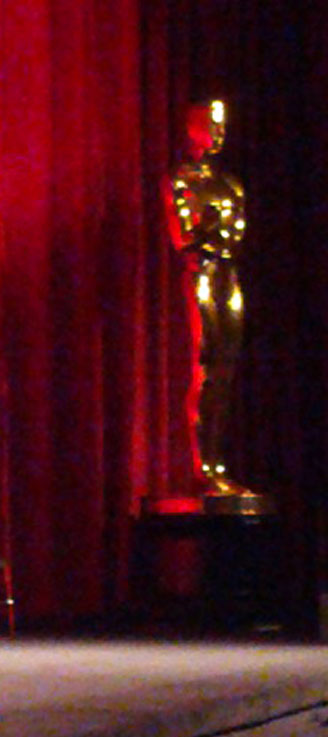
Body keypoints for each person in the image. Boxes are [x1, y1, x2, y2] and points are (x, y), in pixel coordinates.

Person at [164, 100, 250, 498]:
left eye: (223, 125)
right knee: (206, 366)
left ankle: (218, 464)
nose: (220, 132)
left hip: (226, 274)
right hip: (200, 273)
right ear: (193, 128)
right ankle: (202, 466)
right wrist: (213, 232)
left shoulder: (230, 184)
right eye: (212, 125)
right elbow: (185, 237)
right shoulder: (181, 180)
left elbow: (235, 233)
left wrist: (213, 230)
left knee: (226, 369)